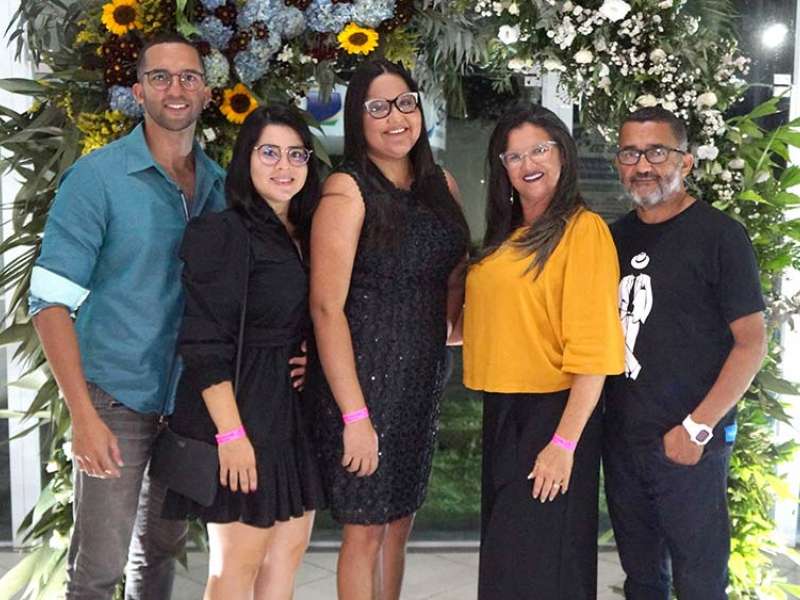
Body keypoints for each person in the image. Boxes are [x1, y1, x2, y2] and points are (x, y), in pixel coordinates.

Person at [28, 34, 226, 598]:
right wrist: (83, 415)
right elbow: (49, 303)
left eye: (188, 76)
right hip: (114, 399)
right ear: (138, 92)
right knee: (98, 569)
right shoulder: (98, 178)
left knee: (159, 554)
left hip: (186, 403)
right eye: (160, 77)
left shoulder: (218, 184)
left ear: (206, 92)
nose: (175, 88)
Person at [306, 58, 469, 600]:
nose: (396, 118)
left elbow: (454, 277)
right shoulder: (347, 189)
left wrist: (456, 331)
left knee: (400, 523)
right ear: (358, 118)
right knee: (366, 528)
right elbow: (326, 308)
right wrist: (354, 416)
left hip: (421, 381)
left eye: (405, 103)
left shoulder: (442, 184)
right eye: (378, 107)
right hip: (363, 382)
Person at [461, 103, 625, 600]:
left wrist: (563, 444)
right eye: (514, 156)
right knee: (507, 569)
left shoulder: (583, 231)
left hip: (553, 417)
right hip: (505, 412)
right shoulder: (508, 236)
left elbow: (595, 350)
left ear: (563, 155)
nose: (527, 163)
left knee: (543, 570)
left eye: (539, 150)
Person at [161, 104, 325, 599]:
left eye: (296, 154)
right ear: (245, 159)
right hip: (242, 410)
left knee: (285, 558)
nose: (284, 166)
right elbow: (203, 342)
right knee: (237, 566)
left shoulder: (305, 233)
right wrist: (231, 435)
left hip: (289, 413)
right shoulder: (224, 231)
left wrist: (309, 353)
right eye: (269, 152)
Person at [603, 106, 767, 600]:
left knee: (700, 584)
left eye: (657, 152)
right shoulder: (611, 239)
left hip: (689, 445)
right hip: (623, 443)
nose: (643, 165)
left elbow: (752, 343)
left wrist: (697, 428)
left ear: (687, 162)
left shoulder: (720, 237)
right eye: (630, 153)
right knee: (642, 581)